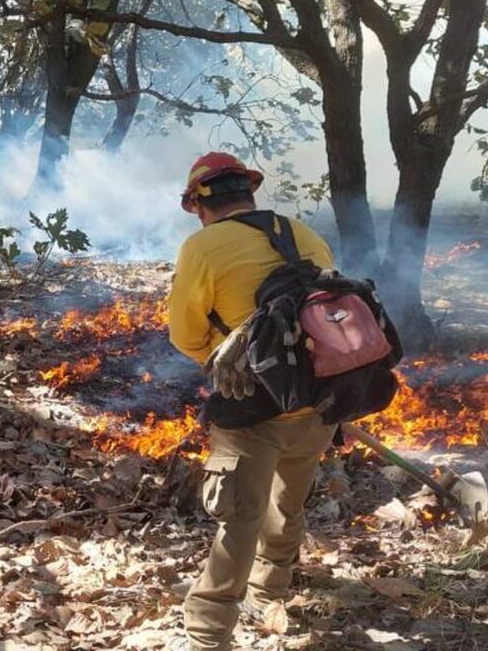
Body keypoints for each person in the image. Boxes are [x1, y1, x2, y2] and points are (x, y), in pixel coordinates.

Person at [167, 152, 337, 651]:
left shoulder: (202, 247)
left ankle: (208, 633)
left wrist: (224, 360)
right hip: (319, 400)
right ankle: (271, 591)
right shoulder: (301, 233)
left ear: (199, 203)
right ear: (249, 192)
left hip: (251, 409)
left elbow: (185, 334)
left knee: (239, 519)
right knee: (288, 501)